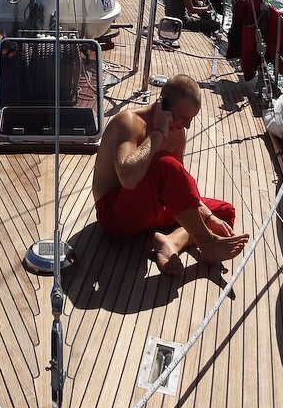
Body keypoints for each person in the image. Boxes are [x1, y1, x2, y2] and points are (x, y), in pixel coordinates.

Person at [92, 75, 249, 273]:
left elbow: (180, 191)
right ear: (163, 103)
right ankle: (206, 243)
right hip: (115, 214)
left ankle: (173, 241)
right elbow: (128, 179)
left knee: (223, 214)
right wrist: (158, 132)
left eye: (191, 119)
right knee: (164, 164)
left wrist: (209, 217)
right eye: (182, 117)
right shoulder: (129, 122)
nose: (187, 125)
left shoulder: (177, 132)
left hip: (153, 209)